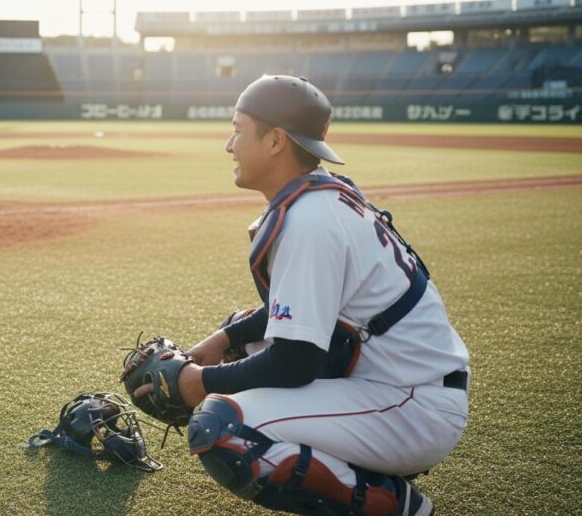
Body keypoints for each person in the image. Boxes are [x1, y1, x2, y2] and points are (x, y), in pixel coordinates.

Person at [158, 76, 469, 516]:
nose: (229, 144)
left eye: (238, 129)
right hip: (398, 380)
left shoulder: (309, 221)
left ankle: (400, 507)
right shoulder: (322, 197)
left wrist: (197, 383)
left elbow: (295, 362)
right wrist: (224, 339)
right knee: (242, 340)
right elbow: (304, 311)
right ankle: (360, 461)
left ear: (275, 141)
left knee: (224, 425)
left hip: (412, 404)